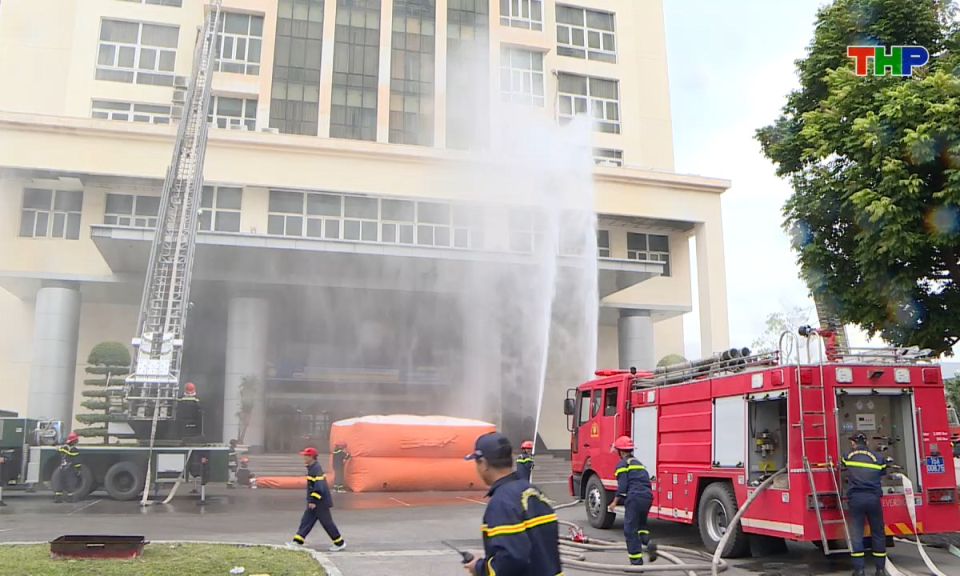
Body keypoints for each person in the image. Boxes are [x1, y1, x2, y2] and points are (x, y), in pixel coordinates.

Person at [463, 431, 562, 575]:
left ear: (483, 463)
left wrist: (479, 567)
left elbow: (512, 558)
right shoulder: (533, 492)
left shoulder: (502, 502)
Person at [842, 433, 888, 576]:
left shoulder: (848, 456)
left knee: (856, 534)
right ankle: (880, 569)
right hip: (873, 499)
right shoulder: (878, 458)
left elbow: (843, 468)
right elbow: (883, 472)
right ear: (867, 442)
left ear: (853, 442)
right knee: (878, 533)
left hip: (856, 499)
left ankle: (859, 570)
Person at [607, 435, 657, 566]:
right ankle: (648, 542)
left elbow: (622, 486)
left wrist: (614, 502)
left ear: (621, 451)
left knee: (630, 530)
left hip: (634, 498)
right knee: (641, 526)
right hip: (647, 497)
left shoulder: (622, 464)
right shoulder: (639, 464)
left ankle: (636, 562)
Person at [292, 447, 346, 551]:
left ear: (311, 457)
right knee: (306, 520)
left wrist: (313, 500)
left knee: (327, 523)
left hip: (320, 502)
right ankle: (297, 540)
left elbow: (319, 486)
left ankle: (339, 543)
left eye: (306, 456)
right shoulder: (312, 467)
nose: (304, 458)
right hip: (316, 501)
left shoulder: (316, 469)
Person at [54, 432, 82, 503]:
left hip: (62, 467)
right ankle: (70, 498)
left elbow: (58, 452)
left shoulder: (63, 447)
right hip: (70, 469)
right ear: (74, 441)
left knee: (60, 482)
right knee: (70, 483)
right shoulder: (73, 449)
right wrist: (78, 469)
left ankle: (58, 498)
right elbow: (76, 460)